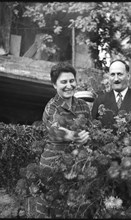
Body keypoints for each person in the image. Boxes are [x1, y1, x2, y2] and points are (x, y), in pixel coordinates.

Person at [36, 62, 91, 218]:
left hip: (77, 163)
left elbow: (91, 128)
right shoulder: (52, 107)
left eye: (71, 81)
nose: (69, 85)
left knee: (75, 207)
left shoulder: (83, 106)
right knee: (51, 206)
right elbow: (55, 131)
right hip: (53, 163)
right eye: (63, 82)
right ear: (55, 85)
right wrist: (75, 136)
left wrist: (87, 137)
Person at [91, 59, 131, 128]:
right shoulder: (99, 101)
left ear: (128, 76)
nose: (116, 79)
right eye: (112, 75)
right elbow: (92, 128)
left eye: (119, 74)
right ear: (109, 77)